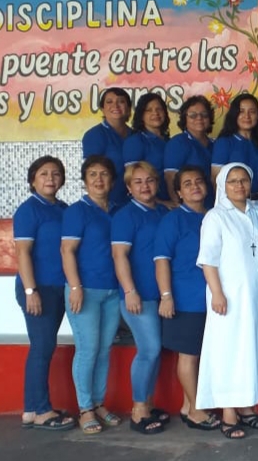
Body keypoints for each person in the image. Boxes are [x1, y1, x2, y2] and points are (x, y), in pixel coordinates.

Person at [196, 163, 258, 440]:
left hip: (255, 295)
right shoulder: (215, 217)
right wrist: (217, 292)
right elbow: (208, 260)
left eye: (244, 180)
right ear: (222, 186)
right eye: (233, 181)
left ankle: (246, 406)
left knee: (251, 348)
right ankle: (229, 412)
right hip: (228, 296)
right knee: (228, 351)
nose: (239, 186)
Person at [60, 155, 122, 434]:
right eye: (93, 174)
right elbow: (67, 251)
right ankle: (85, 409)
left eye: (104, 174)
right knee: (88, 350)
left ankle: (98, 403)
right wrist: (75, 286)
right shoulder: (77, 211)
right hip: (85, 291)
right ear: (85, 181)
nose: (99, 179)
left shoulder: (117, 210)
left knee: (105, 349)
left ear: (112, 180)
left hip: (112, 291)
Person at [154, 166, 218, 431]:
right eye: (187, 184)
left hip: (211, 299)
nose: (195, 187)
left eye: (199, 182)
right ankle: (196, 410)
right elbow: (161, 260)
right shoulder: (173, 219)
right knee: (188, 356)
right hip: (185, 298)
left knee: (202, 355)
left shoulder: (214, 216)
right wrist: (166, 296)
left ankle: (187, 404)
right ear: (179, 192)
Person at [14, 156, 75, 431]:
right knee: (42, 347)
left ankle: (31, 409)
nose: (50, 178)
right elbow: (23, 253)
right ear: (32, 180)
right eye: (43, 174)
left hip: (60, 287)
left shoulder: (64, 209)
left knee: (44, 346)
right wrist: (30, 290)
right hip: (38, 289)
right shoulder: (29, 210)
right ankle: (40, 410)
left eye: (55, 173)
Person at [111, 162, 170, 434]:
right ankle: (138, 411)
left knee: (155, 352)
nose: (144, 186)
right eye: (138, 182)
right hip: (139, 295)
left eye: (149, 180)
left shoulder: (161, 211)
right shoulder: (126, 216)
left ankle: (147, 403)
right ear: (128, 188)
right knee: (149, 350)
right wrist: (129, 291)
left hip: (161, 295)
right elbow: (119, 256)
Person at [82, 87, 132, 205]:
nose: (115, 105)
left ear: (129, 108)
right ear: (103, 109)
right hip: (107, 202)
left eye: (121, 101)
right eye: (109, 102)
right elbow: (92, 173)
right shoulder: (95, 135)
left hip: (134, 201)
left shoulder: (135, 135)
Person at [212, 93, 258, 199]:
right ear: (234, 115)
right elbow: (216, 179)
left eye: (252, 111)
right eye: (241, 111)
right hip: (235, 203)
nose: (247, 116)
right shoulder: (224, 142)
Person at [164, 95, 215, 207]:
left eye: (204, 114)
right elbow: (170, 177)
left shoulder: (215, 144)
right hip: (190, 207)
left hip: (214, 207)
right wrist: (179, 206)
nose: (199, 118)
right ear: (184, 118)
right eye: (193, 115)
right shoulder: (178, 143)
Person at [123, 92, 171, 203]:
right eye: (149, 110)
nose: (155, 113)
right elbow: (132, 179)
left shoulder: (169, 141)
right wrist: (159, 202)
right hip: (149, 203)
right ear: (141, 115)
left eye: (159, 109)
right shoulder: (135, 142)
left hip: (171, 200)